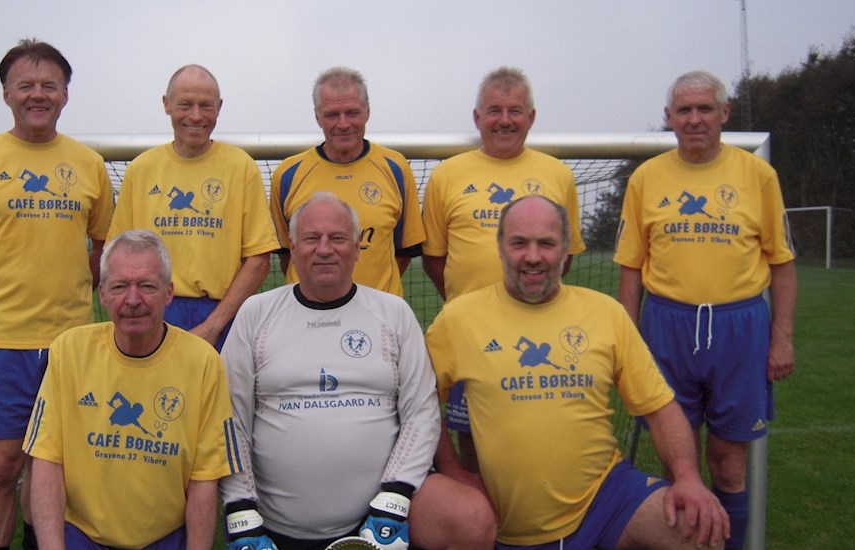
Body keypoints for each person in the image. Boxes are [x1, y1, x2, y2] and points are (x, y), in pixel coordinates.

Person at [426, 195, 729, 549]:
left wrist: (688, 477)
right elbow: (419, 402)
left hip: (607, 499)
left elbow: (660, 408)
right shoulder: (459, 318)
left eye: (546, 243)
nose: (533, 256)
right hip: (505, 517)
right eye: (519, 243)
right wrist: (454, 470)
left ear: (567, 249)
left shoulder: (606, 313)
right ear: (500, 247)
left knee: (698, 533)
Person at [220, 192, 495, 550]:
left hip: (383, 515)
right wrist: (241, 512)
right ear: (293, 247)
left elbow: (421, 411)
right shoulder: (256, 313)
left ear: (356, 248)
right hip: (278, 523)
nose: (324, 249)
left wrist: (394, 498)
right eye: (311, 238)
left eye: (337, 238)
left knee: (470, 517)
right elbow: (229, 419)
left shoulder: (393, 312)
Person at [0, 38, 114, 550]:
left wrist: (72, 287)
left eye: (49, 85)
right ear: (6, 94)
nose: (38, 94)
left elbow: (104, 246)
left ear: (65, 95)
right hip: (0, 342)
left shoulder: (89, 164)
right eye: (26, 85)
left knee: (52, 464)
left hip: (70, 342)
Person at [613, 70, 797, 550]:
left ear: (724, 113)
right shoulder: (647, 178)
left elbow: (782, 264)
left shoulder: (758, 175)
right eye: (684, 110)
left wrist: (782, 339)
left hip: (739, 327)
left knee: (728, 462)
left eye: (705, 109)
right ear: (669, 117)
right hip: (667, 325)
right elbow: (631, 269)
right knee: (678, 463)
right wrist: (627, 342)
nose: (694, 119)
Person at [421, 66, 588, 480]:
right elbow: (435, 258)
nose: (505, 120)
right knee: (476, 451)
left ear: (531, 117)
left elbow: (564, 255)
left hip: (540, 331)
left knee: (542, 441)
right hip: (472, 337)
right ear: (477, 117)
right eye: (494, 110)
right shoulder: (447, 175)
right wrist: (473, 308)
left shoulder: (557, 174)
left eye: (515, 110)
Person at [23, 230, 236, 550]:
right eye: (120, 286)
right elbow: (47, 462)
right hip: (83, 537)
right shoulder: (69, 352)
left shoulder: (203, 362)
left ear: (168, 293)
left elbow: (204, 481)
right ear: (102, 294)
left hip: (165, 538)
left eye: (146, 286)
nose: (133, 300)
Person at [108, 64, 279, 350]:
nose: (196, 116)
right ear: (166, 104)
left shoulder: (241, 167)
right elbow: (118, 255)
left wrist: (213, 325)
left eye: (206, 106)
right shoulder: (141, 169)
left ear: (219, 107)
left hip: (220, 316)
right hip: (153, 311)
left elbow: (259, 259)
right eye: (185, 104)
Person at [269, 67, 425, 297]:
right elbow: (287, 252)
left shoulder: (395, 168)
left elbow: (404, 250)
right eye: (332, 115)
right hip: (308, 311)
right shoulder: (288, 174)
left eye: (352, 112)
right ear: (317, 117)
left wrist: (369, 296)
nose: (343, 124)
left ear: (367, 112)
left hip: (377, 310)